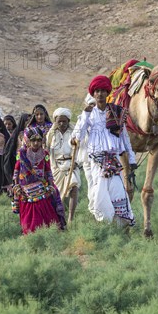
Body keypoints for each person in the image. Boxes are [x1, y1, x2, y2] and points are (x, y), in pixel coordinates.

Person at [73, 75, 137, 227]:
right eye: (97, 91)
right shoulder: (87, 114)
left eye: (103, 91)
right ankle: (103, 227)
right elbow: (78, 136)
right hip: (96, 162)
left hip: (114, 160)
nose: (100, 94)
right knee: (98, 195)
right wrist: (85, 115)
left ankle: (120, 227)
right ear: (93, 94)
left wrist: (132, 158)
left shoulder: (116, 112)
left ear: (107, 93)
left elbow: (124, 137)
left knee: (118, 193)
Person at [13, 127, 66, 234]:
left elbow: (48, 170)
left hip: (41, 188)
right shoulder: (22, 153)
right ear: (27, 140)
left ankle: (49, 232)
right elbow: (16, 170)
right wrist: (16, 186)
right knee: (29, 218)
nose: (36, 143)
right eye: (33, 140)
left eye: (38, 140)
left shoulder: (45, 154)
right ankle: (30, 233)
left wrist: (50, 186)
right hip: (26, 191)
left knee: (48, 211)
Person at [47, 107, 80, 223]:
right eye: (59, 121)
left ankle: (71, 217)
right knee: (57, 194)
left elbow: (79, 149)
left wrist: (76, 162)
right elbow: (49, 152)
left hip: (72, 165)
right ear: (55, 121)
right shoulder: (51, 135)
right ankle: (58, 218)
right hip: (57, 167)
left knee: (74, 189)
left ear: (68, 121)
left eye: (64, 121)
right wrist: (52, 167)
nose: (61, 124)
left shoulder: (74, 133)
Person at [73, 94, 96, 214]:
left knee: (99, 185)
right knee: (91, 184)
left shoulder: (101, 119)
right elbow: (75, 136)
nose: (92, 107)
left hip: (100, 158)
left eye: (94, 105)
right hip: (87, 158)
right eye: (90, 105)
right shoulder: (81, 119)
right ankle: (93, 209)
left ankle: (98, 208)